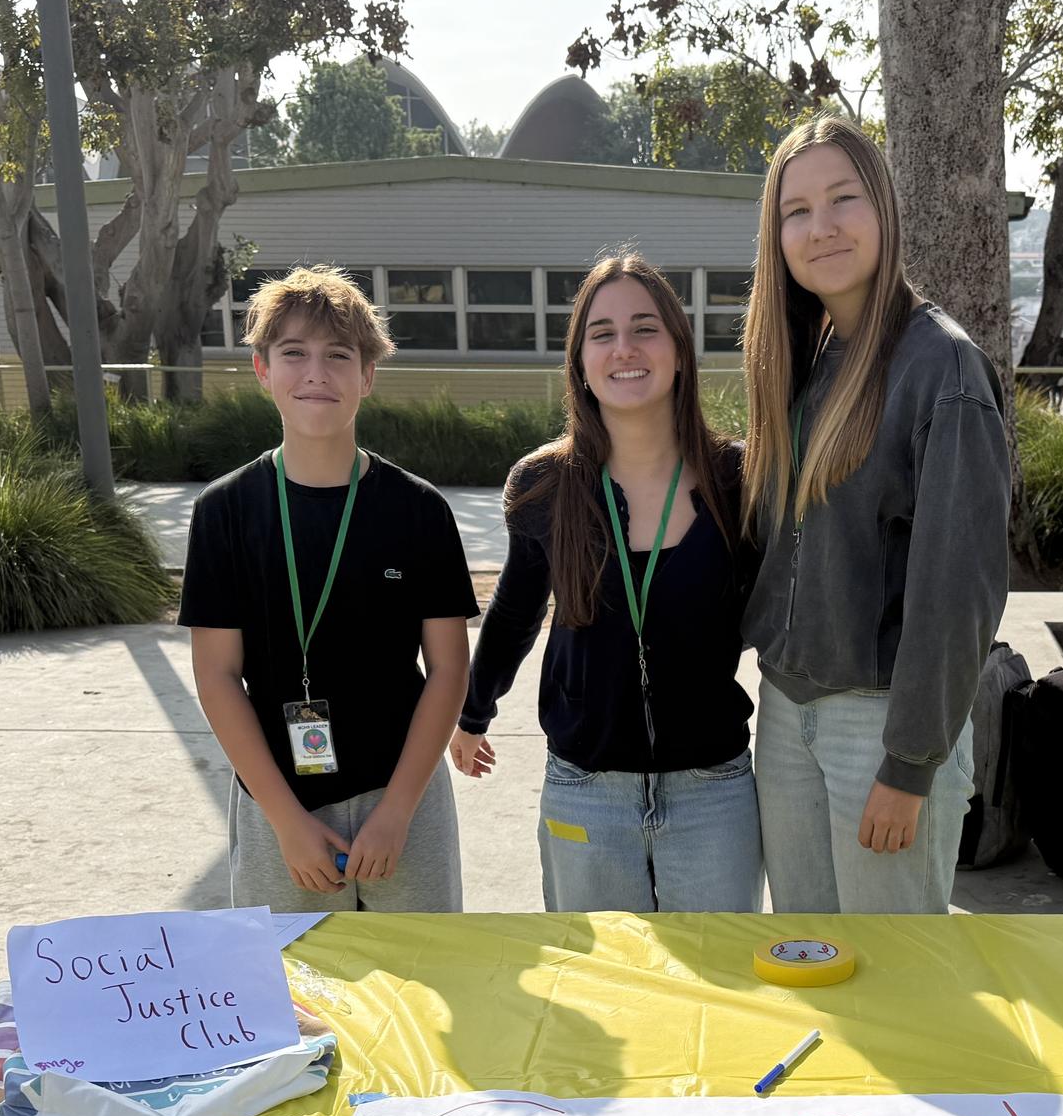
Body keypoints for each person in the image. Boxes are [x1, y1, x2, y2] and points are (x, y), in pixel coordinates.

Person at [742, 111, 1011, 915]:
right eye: (796, 210)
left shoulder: (943, 368)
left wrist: (911, 763)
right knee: (812, 958)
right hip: (785, 716)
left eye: (843, 199)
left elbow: (958, 590)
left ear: (884, 208)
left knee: (895, 973)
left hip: (882, 725)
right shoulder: (809, 360)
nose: (820, 227)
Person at [449, 254, 759, 912]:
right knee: (599, 975)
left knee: (718, 971)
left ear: (680, 349)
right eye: (602, 334)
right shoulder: (545, 484)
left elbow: (778, 613)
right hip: (587, 790)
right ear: (581, 362)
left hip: (713, 790)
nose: (624, 349)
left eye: (645, 329)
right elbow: (514, 613)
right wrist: (473, 713)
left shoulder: (738, 480)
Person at [184, 266, 475, 913]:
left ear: (367, 375)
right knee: (292, 974)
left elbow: (449, 669)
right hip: (278, 801)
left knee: (419, 970)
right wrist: (287, 823)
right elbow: (217, 675)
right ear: (262, 370)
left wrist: (397, 811)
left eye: (338, 355)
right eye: (294, 353)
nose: (316, 373)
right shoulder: (225, 511)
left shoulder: (418, 510)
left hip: (403, 797)